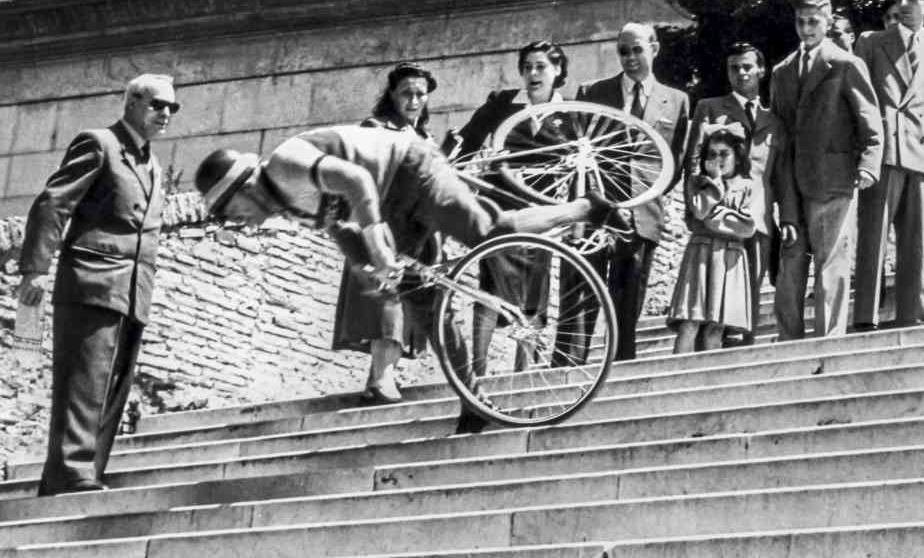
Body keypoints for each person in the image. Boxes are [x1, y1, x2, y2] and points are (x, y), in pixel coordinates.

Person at [194, 125, 618, 432]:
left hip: (411, 169)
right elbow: (338, 225)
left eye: (232, 211)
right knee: (423, 303)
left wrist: (377, 245)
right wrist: (367, 267)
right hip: (387, 204)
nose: (239, 223)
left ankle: (584, 208)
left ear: (245, 187)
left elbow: (356, 179)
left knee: (487, 231)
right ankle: (474, 400)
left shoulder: (286, 164)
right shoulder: (286, 204)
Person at [18, 73, 178, 495]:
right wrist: (35, 268)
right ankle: (71, 470)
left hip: (133, 290)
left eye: (171, 108)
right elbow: (54, 203)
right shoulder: (99, 143)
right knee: (84, 381)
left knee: (112, 385)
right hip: (91, 281)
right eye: (156, 104)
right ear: (131, 103)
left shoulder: (152, 163)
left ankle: (84, 473)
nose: (165, 113)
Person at [770, 0, 883, 340]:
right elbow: (779, 129)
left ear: (828, 21)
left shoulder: (844, 63)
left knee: (831, 259)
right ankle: (789, 337)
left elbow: (870, 121)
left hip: (835, 176)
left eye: (814, 22)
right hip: (793, 180)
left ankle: (829, 337)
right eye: (800, 22)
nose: (806, 29)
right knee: (790, 264)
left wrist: (868, 164)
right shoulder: (782, 71)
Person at [577, 21, 689, 361]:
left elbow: (676, 159)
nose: (630, 58)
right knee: (586, 289)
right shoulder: (594, 93)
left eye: (637, 49)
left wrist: (648, 194)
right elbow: (582, 152)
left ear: (654, 49)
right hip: (599, 210)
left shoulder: (677, 100)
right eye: (623, 51)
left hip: (644, 210)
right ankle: (575, 362)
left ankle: (623, 360)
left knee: (630, 292)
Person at [454, 41, 568, 372]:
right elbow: (467, 141)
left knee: (536, 288)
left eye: (541, 66)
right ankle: (477, 368)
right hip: (500, 207)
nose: (533, 73)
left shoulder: (571, 113)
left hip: (540, 213)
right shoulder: (502, 104)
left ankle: (525, 368)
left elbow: (581, 163)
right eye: (527, 67)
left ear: (557, 70)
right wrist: (463, 161)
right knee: (490, 284)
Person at [333, 63, 438, 405]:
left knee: (404, 304)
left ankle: (378, 377)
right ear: (392, 94)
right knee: (387, 302)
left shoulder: (425, 137)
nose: (414, 100)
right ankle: (383, 378)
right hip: (385, 227)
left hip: (416, 230)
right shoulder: (376, 129)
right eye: (407, 92)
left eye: (420, 94)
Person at [853, 0, 924, 330]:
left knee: (917, 239)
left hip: (921, 152)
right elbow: (860, 99)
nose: (904, 4)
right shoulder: (872, 42)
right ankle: (866, 315)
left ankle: (913, 311)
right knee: (873, 235)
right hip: (886, 150)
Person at [686, 42, 783, 340]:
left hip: (757, 217)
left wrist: (788, 217)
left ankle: (744, 354)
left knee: (748, 298)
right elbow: (693, 163)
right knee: (715, 300)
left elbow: (780, 175)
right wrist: (696, 209)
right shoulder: (710, 107)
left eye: (747, 67)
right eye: (734, 68)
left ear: (761, 71)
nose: (741, 73)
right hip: (719, 218)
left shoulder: (773, 120)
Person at [668, 123, 756, 353]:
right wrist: (715, 188)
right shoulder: (697, 183)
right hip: (701, 255)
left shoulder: (748, 186)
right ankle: (675, 374)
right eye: (712, 154)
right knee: (690, 321)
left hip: (730, 259)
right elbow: (698, 212)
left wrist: (715, 217)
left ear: (737, 157)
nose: (718, 160)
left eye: (724, 154)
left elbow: (747, 226)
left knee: (717, 326)